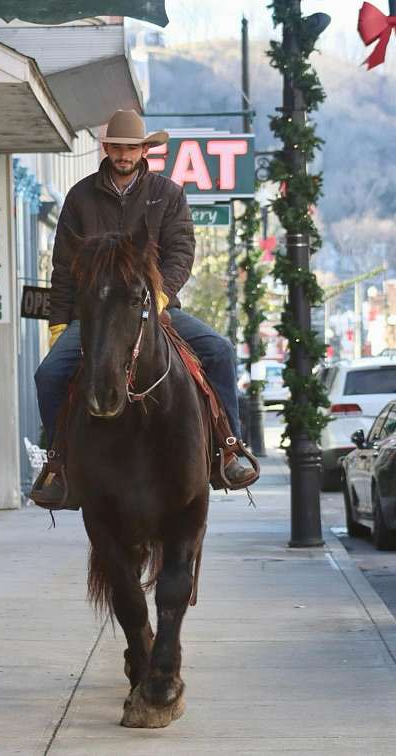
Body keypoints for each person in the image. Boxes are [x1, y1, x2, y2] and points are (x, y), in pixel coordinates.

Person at [30, 109, 257, 509]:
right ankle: (60, 463)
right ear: (107, 148)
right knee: (48, 375)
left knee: (219, 351)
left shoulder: (167, 194)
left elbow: (181, 252)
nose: (123, 154)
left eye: (131, 148)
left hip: (157, 308)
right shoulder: (80, 198)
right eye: (117, 147)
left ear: (143, 150)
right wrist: (59, 322)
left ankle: (229, 448)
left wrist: (161, 294)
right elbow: (63, 267)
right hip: (95, 316)